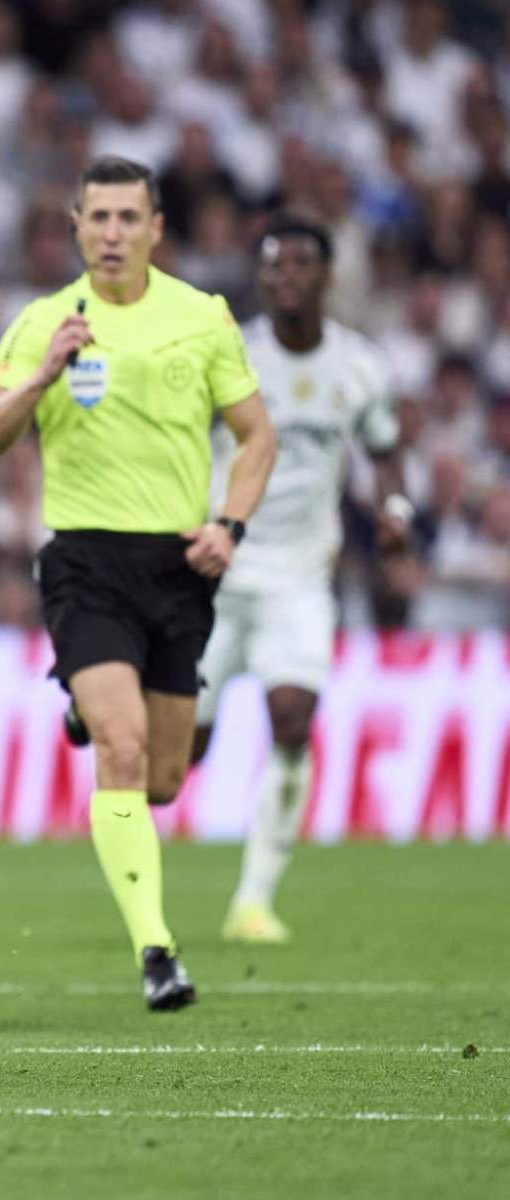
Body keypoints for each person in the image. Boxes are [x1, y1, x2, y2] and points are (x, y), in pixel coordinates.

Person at [0, 156, 278, 1011]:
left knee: (165, 779)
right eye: (96, 217)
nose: (111, 233)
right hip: (86, 563)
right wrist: (41, 374)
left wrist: (229, 526)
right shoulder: (43, 321)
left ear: (155, 228)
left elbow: (256, 437)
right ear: (75, 224)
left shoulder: (201, 318)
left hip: (178, 567)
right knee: (124, 753)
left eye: (127, 218)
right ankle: (157, 951)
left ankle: (86, 703)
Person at [192, 216, 411, 944]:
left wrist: (395, 512)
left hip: (300, 577)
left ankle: (252, 901)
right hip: (217, 573)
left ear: (326, 276)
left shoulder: (360, 366)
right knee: (176, 758)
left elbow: (385, 450)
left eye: (301, 265)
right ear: (260, 277)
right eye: (275, 266)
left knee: (292, 717)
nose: (287, 277)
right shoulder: (229, 357)